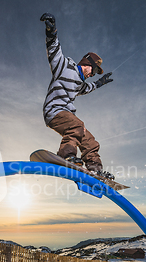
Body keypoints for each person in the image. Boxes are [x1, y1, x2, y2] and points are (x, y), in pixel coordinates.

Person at [40, 13, 115, 180]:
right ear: (87, 64)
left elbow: (87, 88)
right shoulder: (64, 66)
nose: (93, 75)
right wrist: (51, 32)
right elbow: (54, 51)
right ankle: (66, 155)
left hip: (67, 116)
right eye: (94, 71)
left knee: (90, 140)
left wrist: (101, 83)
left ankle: (95, 169)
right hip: (54, 111)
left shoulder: (81, 83)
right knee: (77, 125)